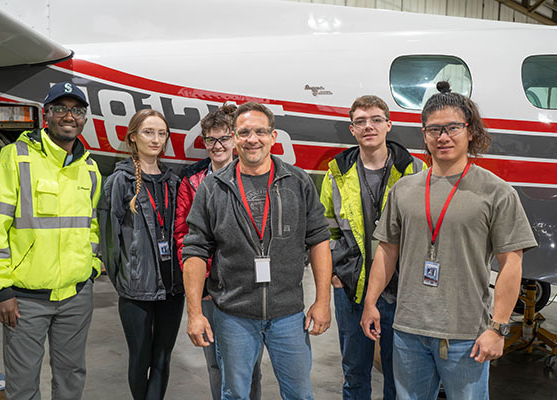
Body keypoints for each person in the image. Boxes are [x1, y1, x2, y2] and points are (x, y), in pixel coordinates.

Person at [360, 82, 538, 400]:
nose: (443, 137)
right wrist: (371, 303)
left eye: (453, 127)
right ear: (425, 134)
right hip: (408, 330)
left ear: (470, 131)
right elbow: (387, 249)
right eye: (434, 129)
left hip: (466, 334)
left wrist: (497, 328)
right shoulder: (405, 189)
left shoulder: (496, 192)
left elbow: (512, 262)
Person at [183, 101, 332, 400]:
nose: (253, 139)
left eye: (260, 132)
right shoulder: (213, 188)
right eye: (245, 132)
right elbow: (195, 249)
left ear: (273, 137)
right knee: (236, 393)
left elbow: (318, 240)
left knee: (300, 394)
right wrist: (195, 312)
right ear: (235, 138)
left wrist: (323, 301)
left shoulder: (297, 182)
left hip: (288, 314)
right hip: (233, 315)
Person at [0, 82, 101, 399]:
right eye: (60, 108)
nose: (69, 116)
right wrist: (0, 289)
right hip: (25, 300)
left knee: (71, 376)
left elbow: (91, 226)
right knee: (23, 383)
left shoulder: (90, 168)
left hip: (75, 296)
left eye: (77, 110)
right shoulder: (15, 158)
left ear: (84, 119)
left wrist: (92, 268)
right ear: (46, 115)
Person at [320, 95, 425, 400]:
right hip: (352, 288)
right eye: (360, 121)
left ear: (388, 125)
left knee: (400, 375)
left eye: (376, 119)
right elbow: (326, 229)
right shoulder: (337, 172)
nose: (369, 126)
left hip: (399, 290)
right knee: (355, 373)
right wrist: (336, 275)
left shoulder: (415, 170)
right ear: (351, 129)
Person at [174, 104, 262, 399]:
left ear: (235, 139)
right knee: (215, 363)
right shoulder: (192, 180)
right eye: (211, 140)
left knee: (248, 366)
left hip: (246, 288)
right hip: (210, 290)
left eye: (224, 138)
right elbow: (183, 236)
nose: (218, 146)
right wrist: (201, 284)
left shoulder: (254, 175)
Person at [98, 109, 183, 400]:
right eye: (148, 132)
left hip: (173, 287)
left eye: (161, 133)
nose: (156, 139)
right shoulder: (120, 181)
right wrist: (126, 279)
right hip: (136, 290)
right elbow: (108, 240)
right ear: (133, 137)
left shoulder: (174, 182)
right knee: (140, 356)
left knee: (162, 358)